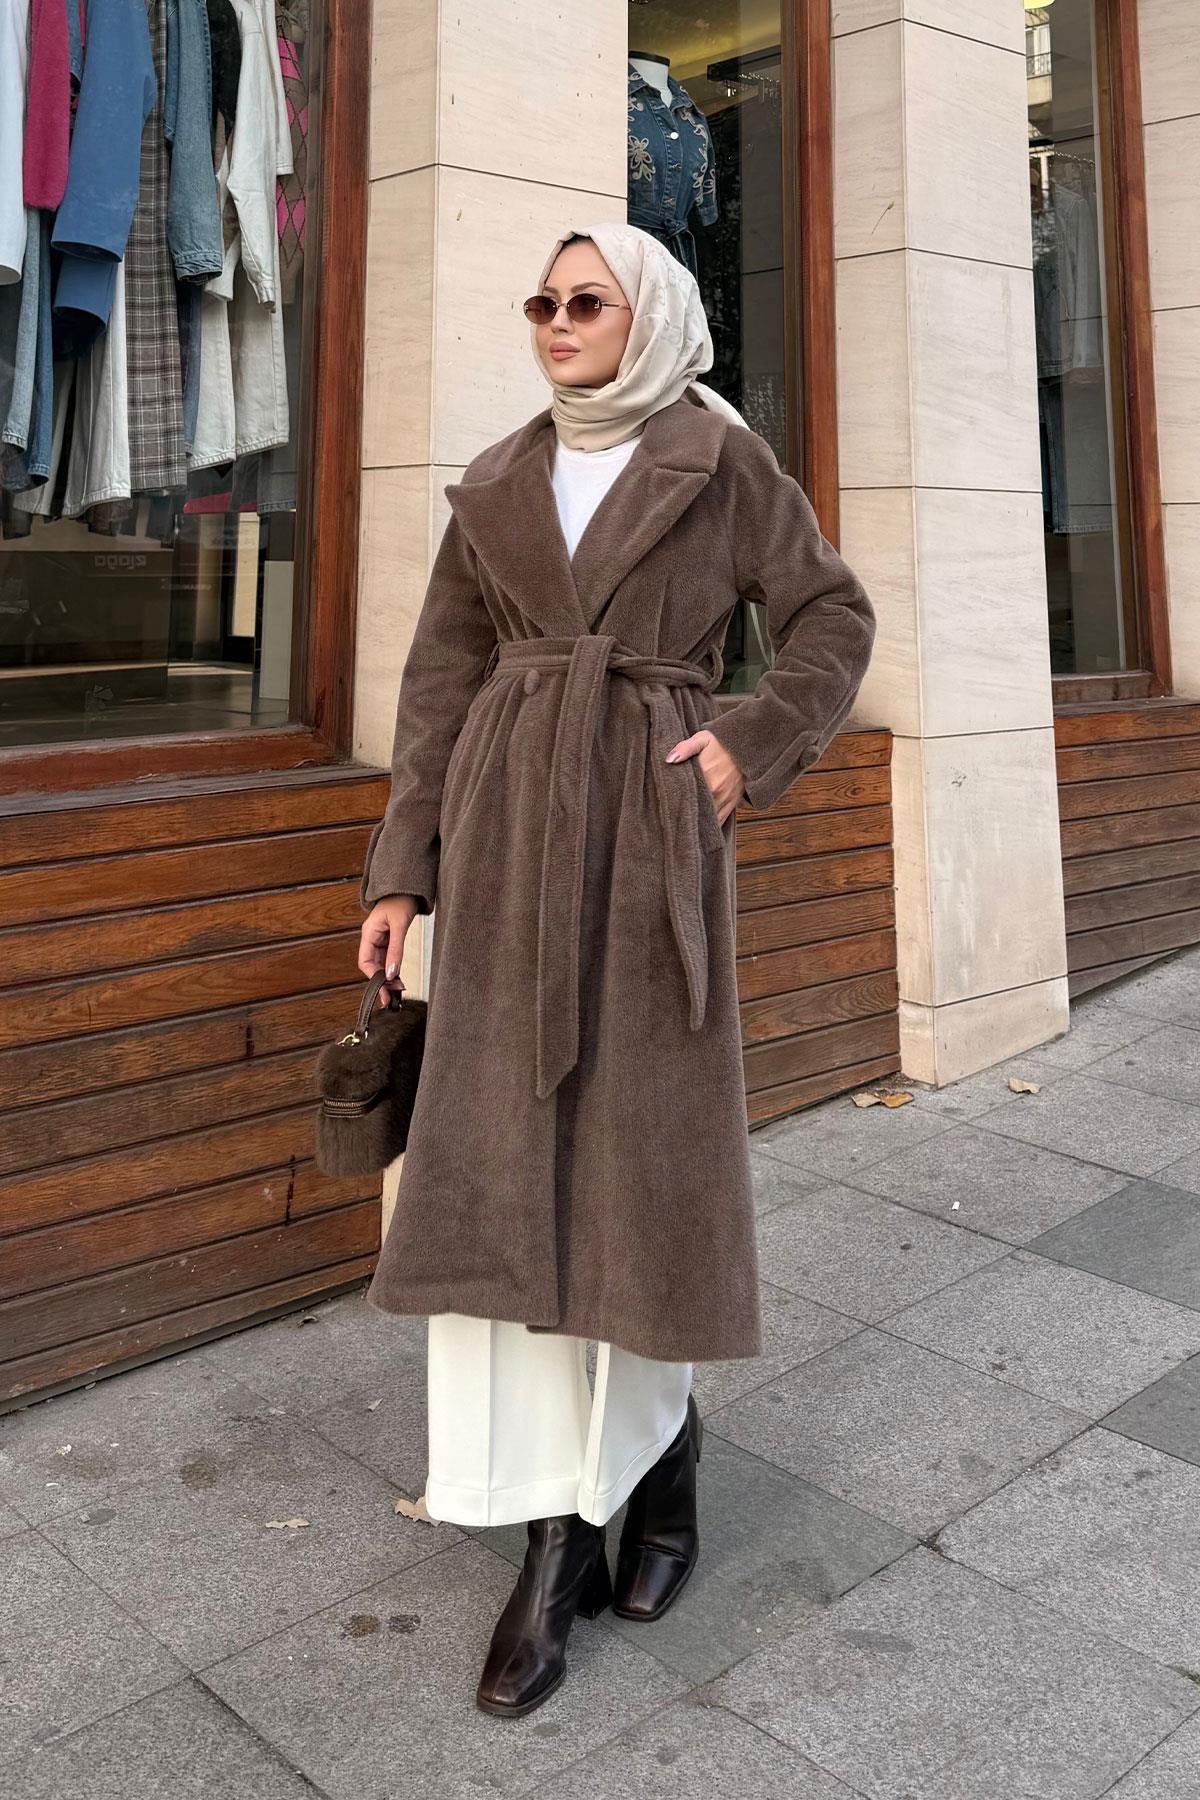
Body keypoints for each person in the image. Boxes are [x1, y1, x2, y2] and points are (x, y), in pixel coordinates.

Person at [356, 221, 877, 1718]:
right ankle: (555, 1536)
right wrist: (400, 871)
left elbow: (830, 617)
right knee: (508, 1172)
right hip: (508, 844)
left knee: (639, 1175)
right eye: (541, 300)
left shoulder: (721, 460)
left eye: (586, 300)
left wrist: (746, 744)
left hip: (647, 842)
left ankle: (656, 1456)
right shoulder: (500, 480)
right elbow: (439, 681)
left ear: (649, 314)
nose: (557, 321)